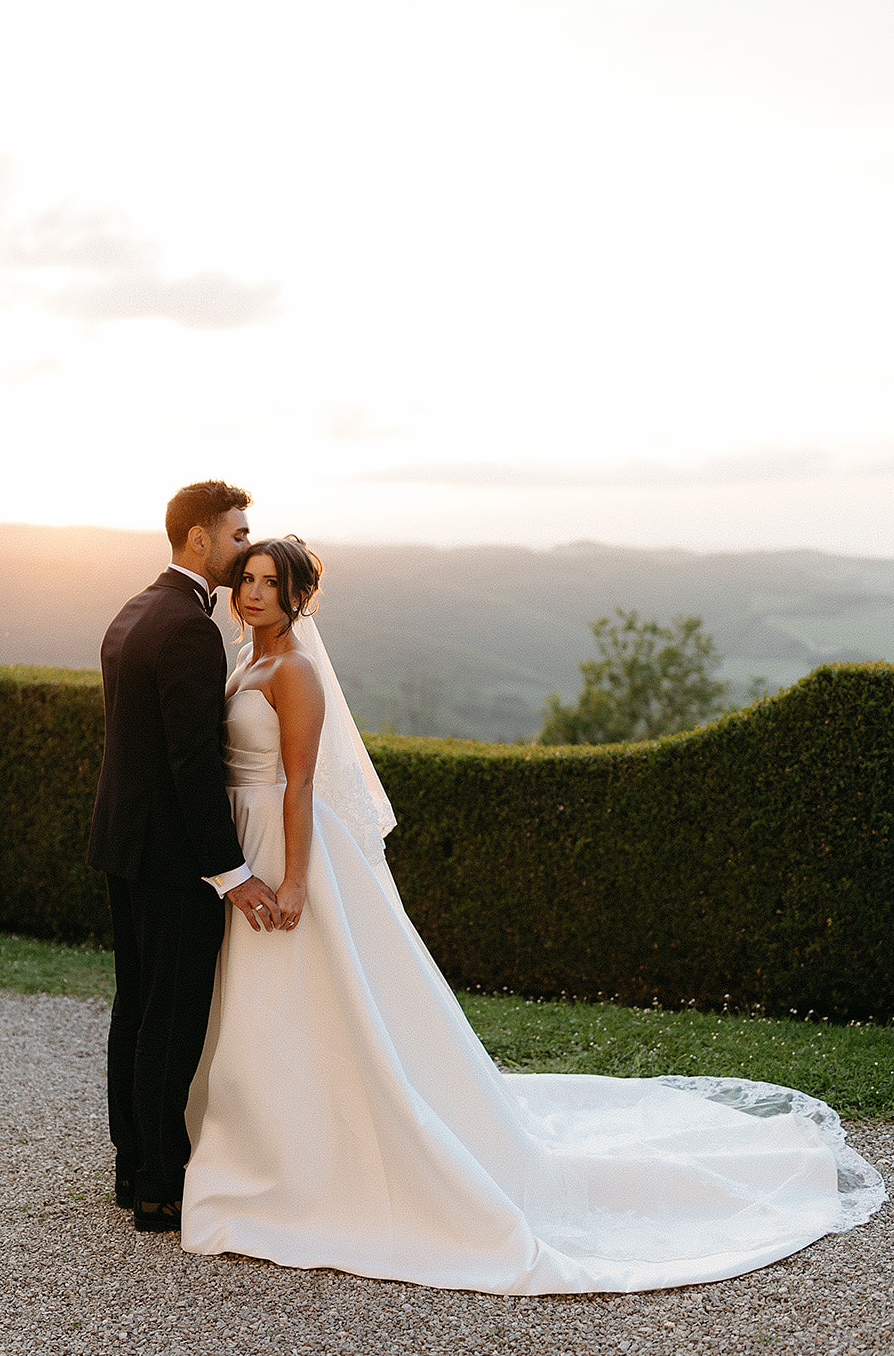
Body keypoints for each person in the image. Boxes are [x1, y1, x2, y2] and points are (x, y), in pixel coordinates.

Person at [180, 537, 886, 1294]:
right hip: (246, 847)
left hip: (289, 854)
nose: (253, 593)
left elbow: (298, 785)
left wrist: (292, 885)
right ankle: (270, 1149)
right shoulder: (243, 662)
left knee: (302, 1000)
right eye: (247, 580)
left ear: (298, 599)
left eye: (269, 584)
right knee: (265, 1005)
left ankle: (317, 1164)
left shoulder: (295, 671)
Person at [87, 481, 284, 1234]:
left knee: (135, 1005)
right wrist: (230, 870)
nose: (244, 548)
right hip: (171, 859)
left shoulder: (136, 608)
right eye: (237, 536)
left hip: (122, 842)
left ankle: (132, 1163)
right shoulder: (191, 630)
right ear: (199, 540)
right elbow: (190, 761)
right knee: (171, 1016)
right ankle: (161, 1189)